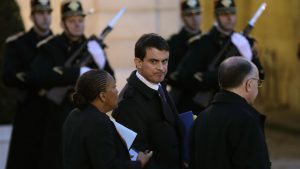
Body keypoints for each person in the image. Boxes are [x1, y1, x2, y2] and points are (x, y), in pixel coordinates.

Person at [31, 0, 114, 168]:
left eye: (80, 20)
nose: (77, 25)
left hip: (87, 114)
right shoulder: (51, 46)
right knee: (58, 158)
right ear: (62, 23)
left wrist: (101, 61)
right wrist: (77, 73)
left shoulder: (92, 46)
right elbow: (41, 74)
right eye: (72, 21)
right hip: (59, 113)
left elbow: (110, 81)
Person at [176, 0, 265, 114]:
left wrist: (249, 57)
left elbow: (260, 76)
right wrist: (223, 73)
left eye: (232, 13)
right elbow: (187, 77)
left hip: (235, 109)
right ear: (216, 16)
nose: (229, 18)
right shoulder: (203, 43)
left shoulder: (246, 43)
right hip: (206, 110)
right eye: (224, 14)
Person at [112, 33, 183, 169]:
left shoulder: (158, 84)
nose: (161, 68)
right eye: (154, 61)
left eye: (165, 61)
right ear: (138, 62)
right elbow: (138, 155)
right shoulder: (128, 103)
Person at [189, 57, 271, 169]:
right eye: (258, 82)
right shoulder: (247, 120)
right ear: (249, 84)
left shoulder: (202, 117)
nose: (258, 87)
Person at [63, 69, 153, 169]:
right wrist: (139, 162)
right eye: (114, 87)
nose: (117, 91)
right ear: (103, 96)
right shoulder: (99, 123)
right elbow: (109, 166)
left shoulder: (75, 114)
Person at [2, 1, 53, 169]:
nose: (45, 18)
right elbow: (8, 76)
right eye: (40, 13)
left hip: (53, 111)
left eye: (48, 13)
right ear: (32, 16)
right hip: (29, 110)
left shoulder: (58, 43)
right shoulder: (19, 43)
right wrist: (34, 79)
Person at [166, 0, 202, 113]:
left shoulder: (208, 40)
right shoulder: (173, 42)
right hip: (182, 102)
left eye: (197, 14)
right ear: (182, 17)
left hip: (205, 102)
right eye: (189, 15)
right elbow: (169, 74)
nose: (194, 19)